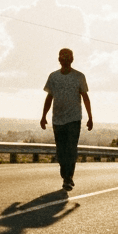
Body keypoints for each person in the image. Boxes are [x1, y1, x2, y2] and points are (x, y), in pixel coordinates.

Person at [40, 48, 93, 191]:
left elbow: (85, 97)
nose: (65, 59)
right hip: (57, 119)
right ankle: (65, 175)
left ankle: (68, 178)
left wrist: (90, 117)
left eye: (68, 57)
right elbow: (49, 97)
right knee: (61, 151)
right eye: (62, 57)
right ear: (59, 59)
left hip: (74, 119)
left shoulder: (79, 76)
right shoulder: (53, 77)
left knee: (71, 149)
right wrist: (44, 116)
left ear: (72, 59)